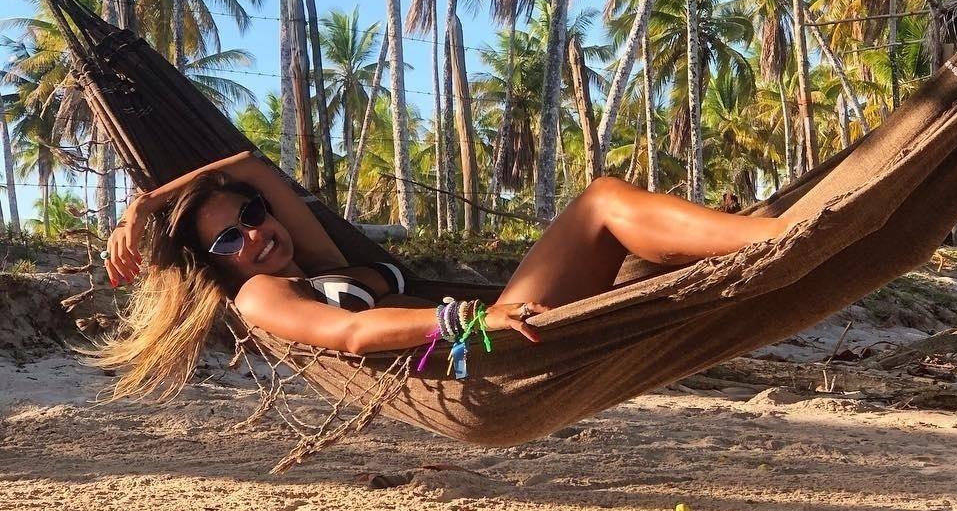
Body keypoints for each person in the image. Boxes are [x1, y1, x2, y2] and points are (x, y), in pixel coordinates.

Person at [99, 150, 796, 400]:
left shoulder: (319, 258)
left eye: (252, 214)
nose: (255, 232)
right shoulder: (260, 294)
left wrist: (147, 202)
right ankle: (784, 237)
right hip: (486, 358)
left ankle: (755, 235)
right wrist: (465, 322)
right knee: (603, 203)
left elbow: (249, 163)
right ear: (211, 263)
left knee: (631, 233)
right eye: (230, 236)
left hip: (508, 325)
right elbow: (349, 333)